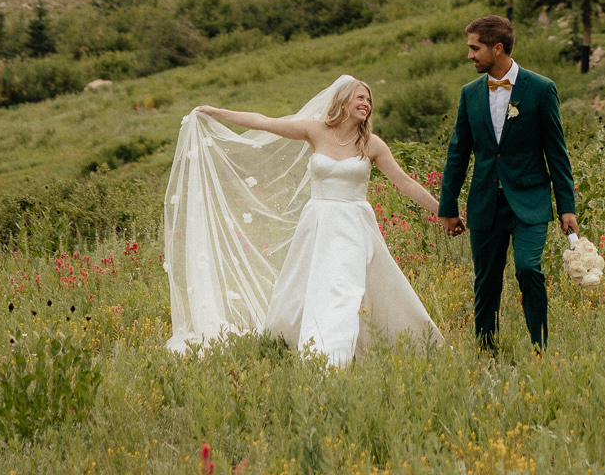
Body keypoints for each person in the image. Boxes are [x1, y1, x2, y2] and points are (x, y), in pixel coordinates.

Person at [164, 76, 442, 366]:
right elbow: (264, 122)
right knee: (308, 286)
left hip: (353, 225)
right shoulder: (315, 130)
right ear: (343, 100)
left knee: (343, 288)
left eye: (369, 100)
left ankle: (332, 357)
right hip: (318, 223)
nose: (366, 104)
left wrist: (442, 211)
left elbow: (405, 183)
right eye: (360, 97)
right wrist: (218, 112)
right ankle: (295, 340)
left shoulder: (371, 145)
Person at [438, 15, 577, 352]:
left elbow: (556, 153)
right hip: (486, 202)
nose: (469, 55)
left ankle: (540, 347)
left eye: (475, 48)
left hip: (530, 200)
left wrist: (566, 207)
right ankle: (486, 352)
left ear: (497, 48)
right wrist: (448, 208)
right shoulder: (470, 94)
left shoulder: (541, 89)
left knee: (528, 269)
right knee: (485, 282)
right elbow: (458, 152)